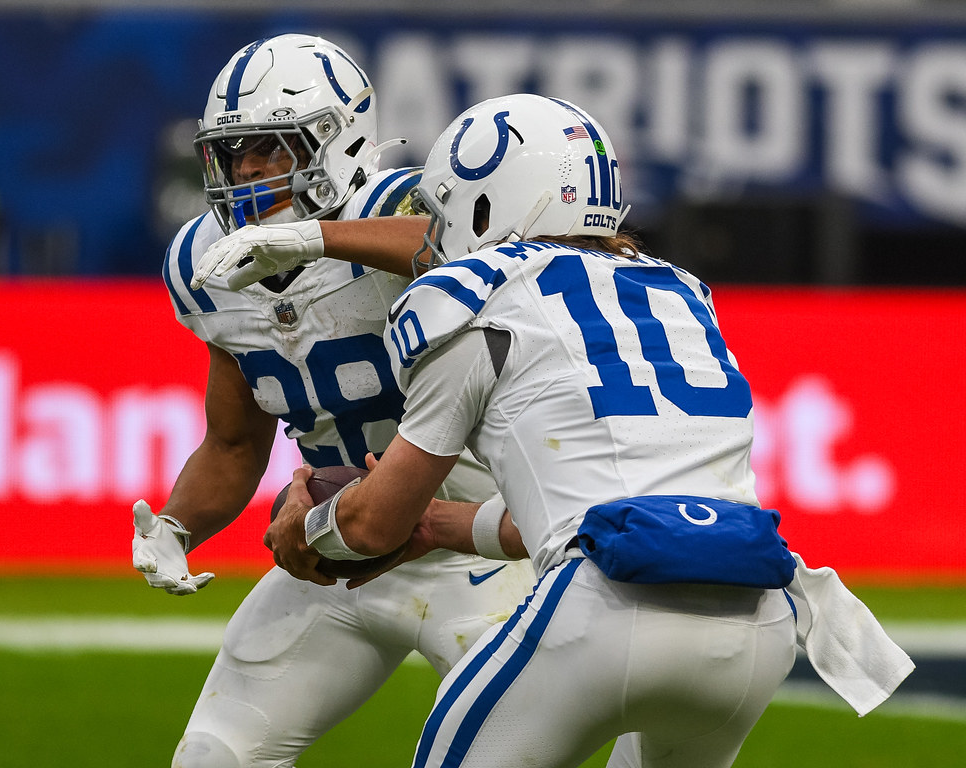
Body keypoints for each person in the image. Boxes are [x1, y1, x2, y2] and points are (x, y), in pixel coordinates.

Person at [263, 93, 915, 768]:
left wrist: (306, 526)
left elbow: (372, 525)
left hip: (604, 608)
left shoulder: (473, 295)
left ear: (487, 201)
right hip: (756, 624)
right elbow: (578, 515)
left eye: (444, 210)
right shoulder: (678, 292)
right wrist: (433, 527)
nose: (434, 233)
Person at [134, 35, 535, 768]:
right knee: (213, 757)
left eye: (271, 149)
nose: (248, 171)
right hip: (336, 550)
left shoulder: (398, 204)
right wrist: (174, 525)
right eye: (235, 153)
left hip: (474, 548)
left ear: (337, 142)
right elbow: (232, 444)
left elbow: (480, 253)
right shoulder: (206, 265)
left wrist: (316, 240)